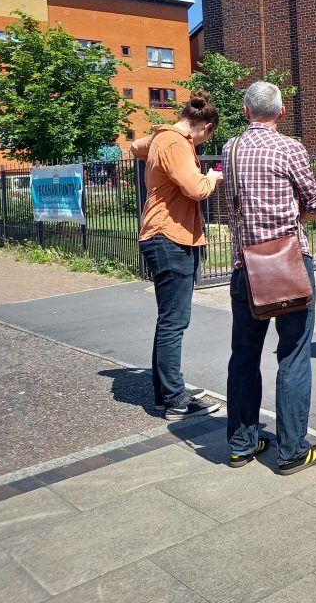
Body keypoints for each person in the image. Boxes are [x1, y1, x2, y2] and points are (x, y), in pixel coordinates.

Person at [223, 81, 316, 474]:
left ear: (245, 110)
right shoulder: (290, 148)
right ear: (282, 113)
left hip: (245, 266)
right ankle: (291, 451)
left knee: (244, 357)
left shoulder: (230, 149)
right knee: (294, 355)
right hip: (287, 264)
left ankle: (241, 444)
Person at [133, 92, 223, 420]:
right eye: (206, 139)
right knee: (175, 321)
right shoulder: (175, 144)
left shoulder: (163, 139)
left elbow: (134, 147)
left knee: (168, 320)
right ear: (206, 127)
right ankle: (174, 399)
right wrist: (211, 176)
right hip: (170, 238)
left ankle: (166, 394)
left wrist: (161, 137)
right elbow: (196, 189)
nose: (200, 147)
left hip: (164, 237)